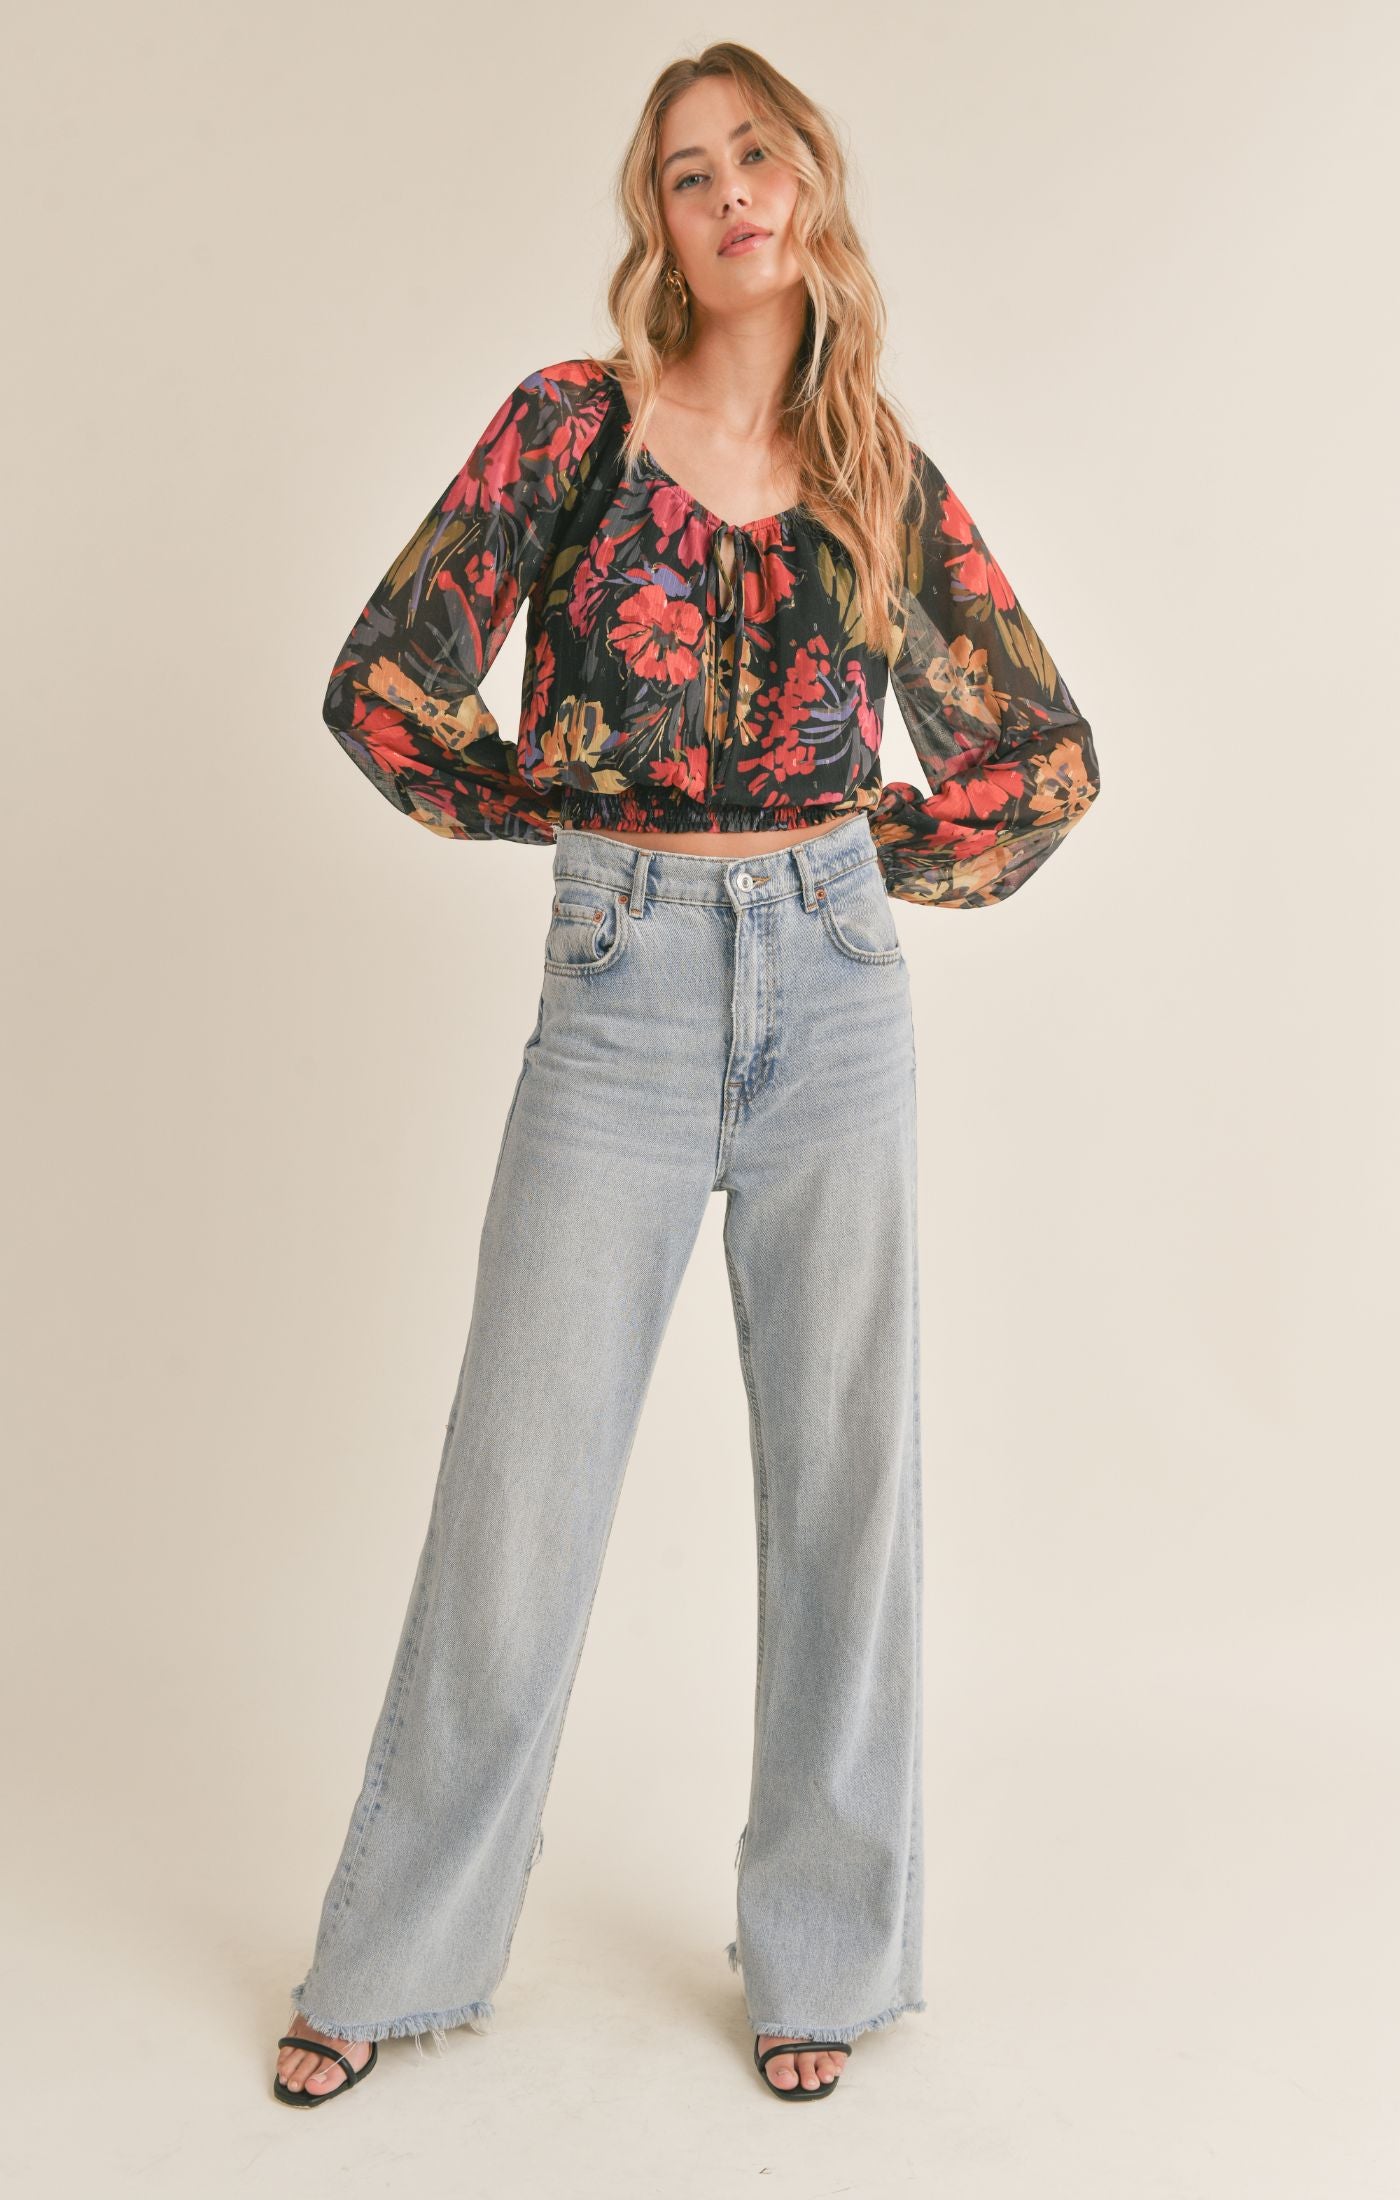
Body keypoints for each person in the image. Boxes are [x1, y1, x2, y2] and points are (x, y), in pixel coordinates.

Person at [273, 40, 1100, 2111]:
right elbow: (385, 680)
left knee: (848, 1493)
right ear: (657, 220)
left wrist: (854, 862)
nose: (730, 192)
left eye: (757, 155)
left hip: (834, 991)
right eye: (687, 171)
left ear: (811, 183)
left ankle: (824, 1959)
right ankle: (391, 1953)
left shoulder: (876, 468)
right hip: (621, 981)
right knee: (520, 1485)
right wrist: (568, 817)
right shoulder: (572, 425)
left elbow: (1042, 756)